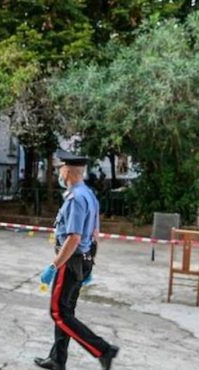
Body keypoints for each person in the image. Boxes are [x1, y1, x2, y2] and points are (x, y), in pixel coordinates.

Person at [35, 154, 118, 370]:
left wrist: (54, 266)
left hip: (70, 262)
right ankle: (57, 359)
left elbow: (74, 238)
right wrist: (90, 262)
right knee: (67, 311)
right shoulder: (89, 195)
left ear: (70, 172)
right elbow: (95, 233)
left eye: (61, 169)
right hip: (82, 259)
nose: (59, 172)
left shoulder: (75, 199)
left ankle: (103, 350)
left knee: (58, 312)